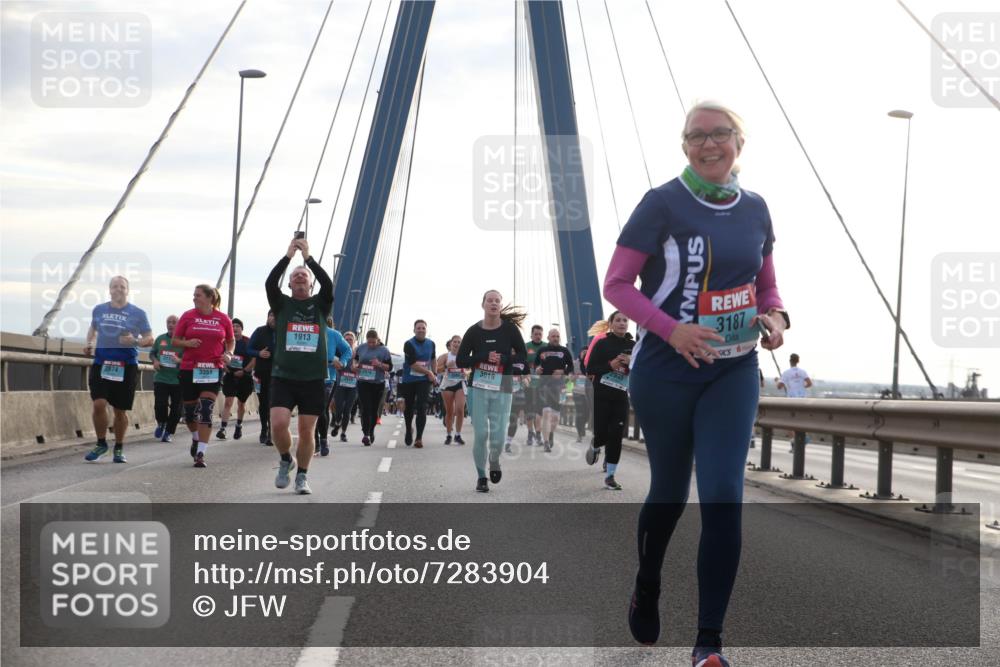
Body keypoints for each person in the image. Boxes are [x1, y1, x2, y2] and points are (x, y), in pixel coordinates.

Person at [603, 101, 789, 665]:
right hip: (666, 372)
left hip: (733, 369)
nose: (710, 145)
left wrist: (776, 317)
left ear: (739, 141)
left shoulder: (757, 209)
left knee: (724, 497)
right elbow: (617, 283)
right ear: (684, 146)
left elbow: (767, 285)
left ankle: (708, 643)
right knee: (668, 494)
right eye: (696, 137)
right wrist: (671, 329)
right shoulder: (661, 204)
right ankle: (649, 582)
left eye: (721, 134)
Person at [265, 237, 334, 495]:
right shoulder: (282, 304)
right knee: (279, 424)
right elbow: (271, 282)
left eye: (303, 275)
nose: (300, 277)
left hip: (313, 377)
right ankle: (286, 459)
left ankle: (302, 477)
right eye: (295, 276)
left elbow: (327, 283)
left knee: (307, 431)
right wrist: (288, 257)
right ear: (290, 283)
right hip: (284, 375)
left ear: (310, 282)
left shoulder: (320, 304)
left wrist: (308, 259)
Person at [456, 290, 527, 493]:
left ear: (500, 306)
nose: (494, 303)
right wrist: (482, 356)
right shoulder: (473, 331)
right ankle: (481, 477)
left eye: (497, 301)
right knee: (481, 434)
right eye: (490, 300)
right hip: (478, 387)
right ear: (483, 304)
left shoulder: (510, 330)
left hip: (503, 387)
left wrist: (504, 359)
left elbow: (522, 355)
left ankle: (494, 460)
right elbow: (461, 360)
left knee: (497, 436)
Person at [83, 275, 153, 463]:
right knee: (98, 404)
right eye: (115, 286)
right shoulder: (99, 309)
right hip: (102, 363)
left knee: (120, 411)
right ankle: (101, 443)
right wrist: (89, 343)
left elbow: (149, 338)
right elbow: (93, 329)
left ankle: (119, 447)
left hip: (126, 366)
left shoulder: (138, 313)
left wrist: (135, 341)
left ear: (127, 290)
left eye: (122, 287)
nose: (118, 289)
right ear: (110, 289)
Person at [172, 284, 235, 468]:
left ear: (210, 298)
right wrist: (188, 342)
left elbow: (230, 341)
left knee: (206, 409)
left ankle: (201, 453)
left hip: (212, 368)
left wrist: (229, 354)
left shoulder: (223, 319)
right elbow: (175, 340)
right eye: (194, 295)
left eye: (198, 295)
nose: (194, 298)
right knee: (190, 413)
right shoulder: (188, 316)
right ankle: (195, 437)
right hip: (189, 368)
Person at [584, 312, 634, 490]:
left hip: (620, 396)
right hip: (601, 395)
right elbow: (590, 368)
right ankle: (596, 445)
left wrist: (632, 362)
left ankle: (610, 476)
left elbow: (642, 369)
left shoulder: (633, 346)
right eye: (618, 320)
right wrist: (610, 366)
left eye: (625, 320)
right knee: (602, 433)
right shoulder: (602, 343)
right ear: (611, 324)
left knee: (616, 436)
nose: (622, 323)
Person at [531, 328, 574, 453]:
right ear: (548, 338)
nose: (555, 338)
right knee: (546, 412)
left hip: (560, 387)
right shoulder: (542, 350)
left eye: (557, 336)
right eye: (553, 336)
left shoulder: (565, 351)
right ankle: (545, 442)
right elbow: (535, 365)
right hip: (544, 385)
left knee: (555, 418)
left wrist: (563, 371)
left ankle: (550, 434)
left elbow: (570, 367)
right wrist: (537, 369)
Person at [316, 316, 352, 456]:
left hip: (326, 378)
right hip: (305, 377)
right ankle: (315, 441)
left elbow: (348, 351)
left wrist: (342, 362)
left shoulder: (333, 334)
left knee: (320, 409)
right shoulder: (305, 331)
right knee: (308, 411)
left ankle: (322, 440)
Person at [399, 319, 438, 448]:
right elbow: (413, 365)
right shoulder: (409, 344)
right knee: (409, 407)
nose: (421, 330)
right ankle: (409, 428)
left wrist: (435, 373)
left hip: (423, 381)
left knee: (422, 407)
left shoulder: (431, 344)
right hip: (409, 379)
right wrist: (429, 372)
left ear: (426, 330)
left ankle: (419, 438)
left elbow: (433, 359)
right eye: (418, 328)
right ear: (414, 330)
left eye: (423, 328)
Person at [217, 318, 256, 441]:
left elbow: (254, 359)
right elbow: (219, 356)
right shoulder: (226, 342)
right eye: (233, 326)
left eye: (237, 326)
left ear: (242, 328)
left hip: (244, 376)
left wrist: (244, 371)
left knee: (241, 403)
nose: (235, 328)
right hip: (230, 375)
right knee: (228, 402)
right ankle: (222, 429)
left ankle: (238, 425)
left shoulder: (248, 341)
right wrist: (225, 367)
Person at [353, 329, 393, 446]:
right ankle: (366, 434)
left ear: (378, 340)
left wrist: (379, 364)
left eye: (373, 342)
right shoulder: (361, 348)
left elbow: (389, 367)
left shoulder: (384, 350)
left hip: (377, 383)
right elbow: (355, 359)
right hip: (363, 382)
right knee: (365, 408)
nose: (371, 345)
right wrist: (355, 365)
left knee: (374, 410)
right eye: (369, 342)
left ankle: (371, 431)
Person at [150, 314, 184, 443]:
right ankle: (161, 423)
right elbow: (152, 353)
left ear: (179, 324)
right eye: (168, 322)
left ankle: (169, 431)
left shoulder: (183, 341)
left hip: (177, 379)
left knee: (176, 408)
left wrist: (179, 360)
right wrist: (155, 361)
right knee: (160, 404)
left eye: (174, 322)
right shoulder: (160, 339)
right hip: (161, 378)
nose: (170, 324)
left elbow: (190, 358)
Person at [247, 310, 277, 445]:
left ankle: (272, 432)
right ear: (268, 317)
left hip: (278, 374)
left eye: (276, 316)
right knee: (264, 403)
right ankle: (264, 428)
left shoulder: (284, 332)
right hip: (261, 373)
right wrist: (259, 353)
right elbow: (249, 349)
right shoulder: (260, 331)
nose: (273, 318)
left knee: (273, 403)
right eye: (271, 315)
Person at [436, 335, 468, 445]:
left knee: (460, 409)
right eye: (455, 342)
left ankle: (458, 435)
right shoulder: (445, 356)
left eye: (459, 342)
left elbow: (469, 369)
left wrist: (466, 373)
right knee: (450, 411)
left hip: (460, 383)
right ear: (451, 344)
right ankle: (449, 434)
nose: (457, 344)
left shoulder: (464, 356)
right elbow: (437, 370)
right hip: (448, 385)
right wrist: (446, 366)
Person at [332, 330, 359, 442]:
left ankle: (343, 433)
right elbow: (332, 363)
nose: (348, 341)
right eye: (346, 339)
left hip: (353, 386)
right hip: (340, 385)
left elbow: (364, 369)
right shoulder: (339, 352)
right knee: (339, 409)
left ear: (354, 341)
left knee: (347, 410)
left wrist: (357, 368)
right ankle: (338, 422)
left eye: (350, 339)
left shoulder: (358, 354)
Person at [522, 324, 545, 445]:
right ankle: (530, 433)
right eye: (535, 334)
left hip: (542, 385)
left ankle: (538, 434)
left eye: (540, 334)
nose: (537, 336)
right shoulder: (526, 347)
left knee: (539, 411)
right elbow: (521, 365)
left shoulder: (546, 347)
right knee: (529, 411)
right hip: (529, 384)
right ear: (531, 335)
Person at [572, 346, 591, 443]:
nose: (585, 354)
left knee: (587, 413)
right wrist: (572, 377)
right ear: (580, 353)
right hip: (577, 392)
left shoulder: (591, 364)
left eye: (587, 352)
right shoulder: (575, 363)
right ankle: (579, 433)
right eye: (583, 352)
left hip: (588, 393)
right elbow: (569, 376)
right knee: (580, 412)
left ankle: (582, 426)